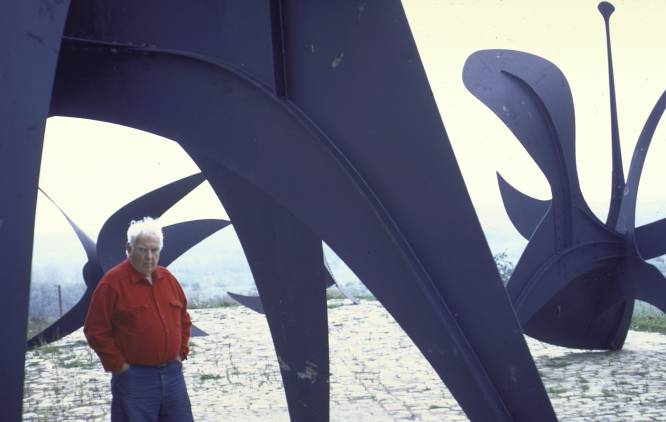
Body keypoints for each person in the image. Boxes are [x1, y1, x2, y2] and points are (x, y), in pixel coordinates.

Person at [84, 217, 194, 421]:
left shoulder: (168, 279)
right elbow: (95, 330)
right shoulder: (112, 284)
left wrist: (180, 353)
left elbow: (183, 319)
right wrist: (120, 367)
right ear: (129, 248)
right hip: (135, 379)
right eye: (143, 250)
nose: (149, 257)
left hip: (173, 375)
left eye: (154, 251)